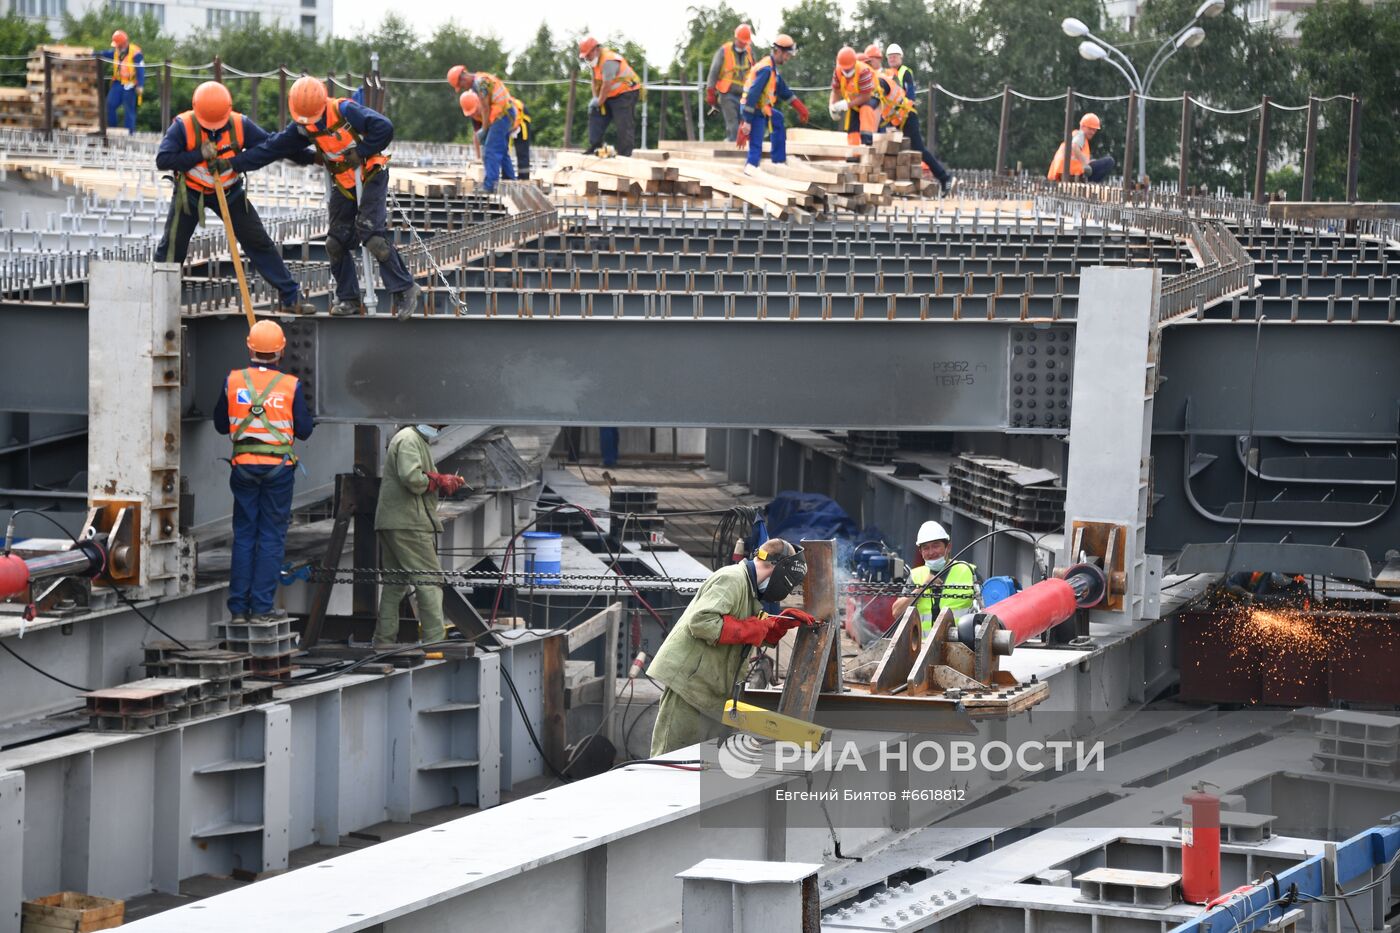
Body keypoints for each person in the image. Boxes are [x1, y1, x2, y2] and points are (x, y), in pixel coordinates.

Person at [233, 76, 421, 318]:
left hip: (371, 174)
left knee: (372, 236)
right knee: (335, 243)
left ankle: (405, 288)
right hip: (344, 183)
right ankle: (349, 299)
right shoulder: (303, 126)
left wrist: (362, 151)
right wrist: (234, 164)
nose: (311, 123)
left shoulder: (344, 110)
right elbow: (271, 148)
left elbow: (384, 128)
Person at [155, 82, 316, 315]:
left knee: (258, 242)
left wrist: (311, 157)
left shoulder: (240, 125)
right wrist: (198, 154)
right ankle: (158, 303)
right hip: (190, 193)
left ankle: (291, 297)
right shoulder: (183, 126)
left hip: (230, 191)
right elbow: (163, 160)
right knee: (171, 248)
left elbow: (272, 146)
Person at [648, 539, 815, 756]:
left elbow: (740, 625)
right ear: (777, 567)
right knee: (671, 762)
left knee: (703, 765)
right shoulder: (732, 579)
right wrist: (755, 628)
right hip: (690, 688)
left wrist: (775, 626)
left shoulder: (749, 589)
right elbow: (702, 622)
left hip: (711, 691)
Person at [213, 320, 314, 623]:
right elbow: (304, 430)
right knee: (270, 536)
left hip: (243, 466)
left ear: (250, 348)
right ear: (281, 351)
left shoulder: (233, 381)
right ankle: (260, 608)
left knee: (245, 535)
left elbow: (220, 425)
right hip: (277, 470)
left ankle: (238, 610)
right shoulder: (290, 385)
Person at [373, 424, 467, 649]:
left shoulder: (413, 439)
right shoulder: (409, 439)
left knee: (395, 583)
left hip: (396, 522)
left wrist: (439, 481)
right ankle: (434, 643)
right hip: (408, 523)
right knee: (430, 581)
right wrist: (438, 480)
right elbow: (412, 478)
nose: (439, 429)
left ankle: (383, 641)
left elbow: (417, 477)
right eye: (438, 425)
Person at [883, 43, 955, 194]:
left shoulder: (905, 73)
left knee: (918, 149)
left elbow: (910, 97)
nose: (892, 59)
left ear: (901, 57)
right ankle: (897, 186)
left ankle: (944, 177)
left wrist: (900, 112)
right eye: (890, 57)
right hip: (894, 119)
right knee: (893, 150)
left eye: (895, 56)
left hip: (907, 117)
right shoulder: (886, 74)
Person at [890, 521, 977, 635]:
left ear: (948, 547)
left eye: (936, 546)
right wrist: (922, 587)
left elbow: (986, 610)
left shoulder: (968, 571)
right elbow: (897, 612)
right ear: (921, 552)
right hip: (922, 645)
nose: (931, 552)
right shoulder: (916, 576)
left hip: (959, 644)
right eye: (926, 548)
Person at [737, 34, 807, 173]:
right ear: (779, 51)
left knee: (778, 118)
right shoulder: (766, 69)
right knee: (756, 141)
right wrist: (747, 121)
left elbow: (783, 91)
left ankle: (778, 160)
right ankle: (751, 167)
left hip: (761, 108)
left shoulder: (773, 69)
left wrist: (800, 107)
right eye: (787, 55)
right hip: (752, 108)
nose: (788, 58)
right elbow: (753, 94)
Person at [456, 73, 520, 192]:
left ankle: (489, 185)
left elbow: (485, 108)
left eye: (461, 85)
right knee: (501, 150)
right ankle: (510, 181)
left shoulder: (480, 83)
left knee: (491, 150)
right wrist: (479, 157)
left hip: (502, 114)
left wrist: (485, 129)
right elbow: (476, 134)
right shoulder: (479, 82)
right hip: (505, 114)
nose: (464, 88)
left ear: (463, 79)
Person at [579, 37, 642, 156]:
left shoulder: (608, 61)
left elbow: (606, 85)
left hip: (626, 92)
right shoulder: (594, 62)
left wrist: (599, 101)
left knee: (623, 124)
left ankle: (625, 154)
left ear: (596, 49)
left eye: (588, 55)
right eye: (585, 56)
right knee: (596, 113)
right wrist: (595, 100)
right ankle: (595, 147)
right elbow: (595, 82)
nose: (587, 58)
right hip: (610, 94)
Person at [706, 23, 756, 142]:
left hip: (745, 95)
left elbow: (756, 71)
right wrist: (710, 92)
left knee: (746, 125)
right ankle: (732, 145)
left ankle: (744, 149)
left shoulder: (750, 52)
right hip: (727, 93)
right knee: (733, 125)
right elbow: (713, 72)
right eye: (742, 41)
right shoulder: (724, 51)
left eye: (745, 42)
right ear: (736, 38)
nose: (743, 44)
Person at [829, 46, 879, 146]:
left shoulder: (863, 71)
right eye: (845, 69)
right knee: (853, 128)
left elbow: (866, 96)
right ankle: (854, 150)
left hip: (871, 97)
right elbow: (836, 91)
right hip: (854, 100)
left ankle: (867, 143)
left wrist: (847, 105)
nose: (847, 72)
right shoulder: (837, 71)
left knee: (865, 109)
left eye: (849, 69)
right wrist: (832, 106)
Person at [1048, 113, 1116, 183]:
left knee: (1095, 163)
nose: (1092, 132)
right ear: (1082, 126)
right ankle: (1091, 183)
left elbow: (1074, 156)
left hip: (1064, 174)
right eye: (1090, 129)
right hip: (1073, 173)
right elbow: (1074, 147)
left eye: (1094, 130)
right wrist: (1085, 164)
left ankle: (1088, 183)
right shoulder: (1080, 134)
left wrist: (1088, 162)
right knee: (1109, 162)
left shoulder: (1073, 137)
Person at [99, 30, 143, 133]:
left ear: (124, 43)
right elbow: (103, 54)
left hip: (130, 84)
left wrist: (140, 85)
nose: (117, 48)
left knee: (129, 110)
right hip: (118, 83)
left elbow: (140, 69)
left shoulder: (136, 53)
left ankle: (129, 133)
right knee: (110, 105)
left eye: (118, 45)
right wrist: (91, 54)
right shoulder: (115, 52)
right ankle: (112, 130)